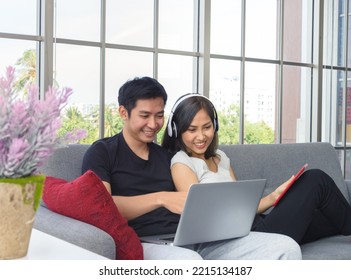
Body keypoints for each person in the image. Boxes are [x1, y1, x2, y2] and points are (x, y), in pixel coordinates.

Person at [82, 77, 302, 260]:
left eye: (159, 115)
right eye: (144, 115)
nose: (153, 124)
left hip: (193, 238)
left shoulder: (168, 157)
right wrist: (162, 198)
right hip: (147, 242)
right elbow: (101, 206)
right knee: (189, 263)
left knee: (286, 247)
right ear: (123, 113)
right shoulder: (102, 152)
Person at [161, 93, 351, 245]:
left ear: (215, 125)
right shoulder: (181, 162)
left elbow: (241, 209)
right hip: (245, 237)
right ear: (177, 131)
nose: (201, 136)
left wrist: (274, 196)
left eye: (207, 127)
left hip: (256, 223)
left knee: (328, 216)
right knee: (315, 179)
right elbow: (198, 218)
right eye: (192, 130)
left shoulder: (221, 157)